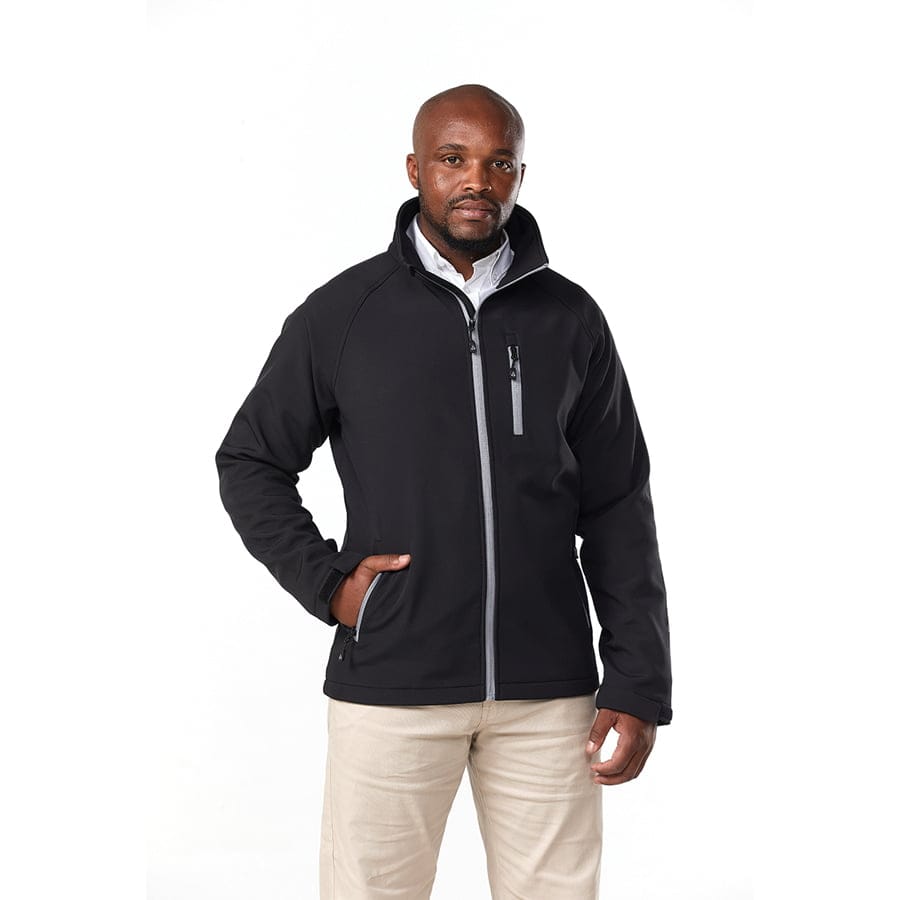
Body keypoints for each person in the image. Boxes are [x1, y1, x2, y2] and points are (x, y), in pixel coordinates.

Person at [215, 83, 673, 899]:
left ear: (520, 175)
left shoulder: (570, 318)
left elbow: (618, 503)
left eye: (499, 163)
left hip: (549, 693)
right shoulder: (343, 314)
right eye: (454, 159)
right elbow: (250, 459)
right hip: (394, 683)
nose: (477, 181)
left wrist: (638, 679)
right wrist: (329, 585)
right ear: (415, 169)